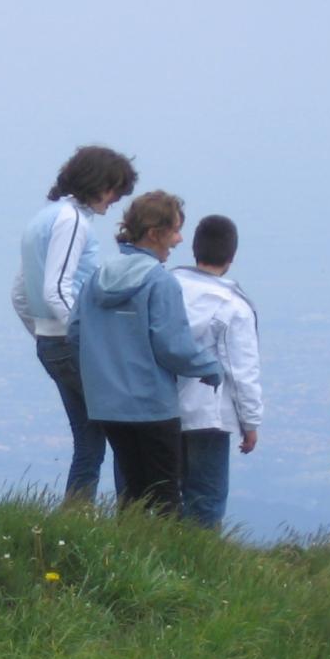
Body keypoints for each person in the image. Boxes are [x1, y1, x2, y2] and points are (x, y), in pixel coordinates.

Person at [68, 191, 222, 516]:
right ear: (155, 233)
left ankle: (127, 557)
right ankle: (165, 562)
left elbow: (75, 333)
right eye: (176, 230)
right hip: (152, 406)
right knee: (165, 493)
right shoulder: (160, 283)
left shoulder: (97, 278)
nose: (180, 239)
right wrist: (209, 367)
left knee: (132, 494)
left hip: (107, 405)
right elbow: (172, 347)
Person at [12, 145, 138, 501]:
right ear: (96, 183)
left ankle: (77, 518)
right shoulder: (73, 221)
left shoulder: (44, 218)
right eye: (113, 189)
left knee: (89, 439)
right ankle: (132, 523)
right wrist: (84, 339)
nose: (115, 199)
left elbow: (20, 294)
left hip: (51, 343)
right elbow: (57, 290)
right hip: (73, 344)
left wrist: (43, 334)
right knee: (125, 431)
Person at [172, 214, 262, 529]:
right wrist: (250, 421)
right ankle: (197, 565)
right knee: (206, 499)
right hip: (209, 413)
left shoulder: (167, 287)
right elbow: (241, 369)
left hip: (162, 406)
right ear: (231, 257)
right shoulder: (234, 305)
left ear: (195, 248)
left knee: (164, 495)